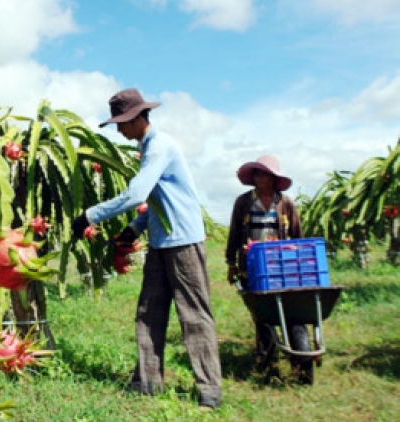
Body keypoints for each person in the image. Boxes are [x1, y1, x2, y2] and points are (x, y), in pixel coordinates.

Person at [71, 88, 222, 409]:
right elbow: (156, 203)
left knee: (194, 316)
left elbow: (137, 194)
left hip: (183, 242)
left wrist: (89, 215)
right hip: (160, 242)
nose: (120, 130)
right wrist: (133, 229)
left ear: (140, 118)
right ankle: (147, 382)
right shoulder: (148, 149)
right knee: (149, 313)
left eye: (123, 123)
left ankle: (210, 389)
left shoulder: (160, 147)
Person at [225, 154, 305, 373]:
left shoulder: (285, 203)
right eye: (257, 173)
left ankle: (295, 349)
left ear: (274, 178)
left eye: (266, 174)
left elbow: (297, 234)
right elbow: (234, 233)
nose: (261, 178)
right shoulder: (244, 202)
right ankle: (265, 354)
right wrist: (231, 262)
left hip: (281, 264)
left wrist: (299, 259)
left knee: (288, 307)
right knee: (262, 312)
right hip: (253, 265)